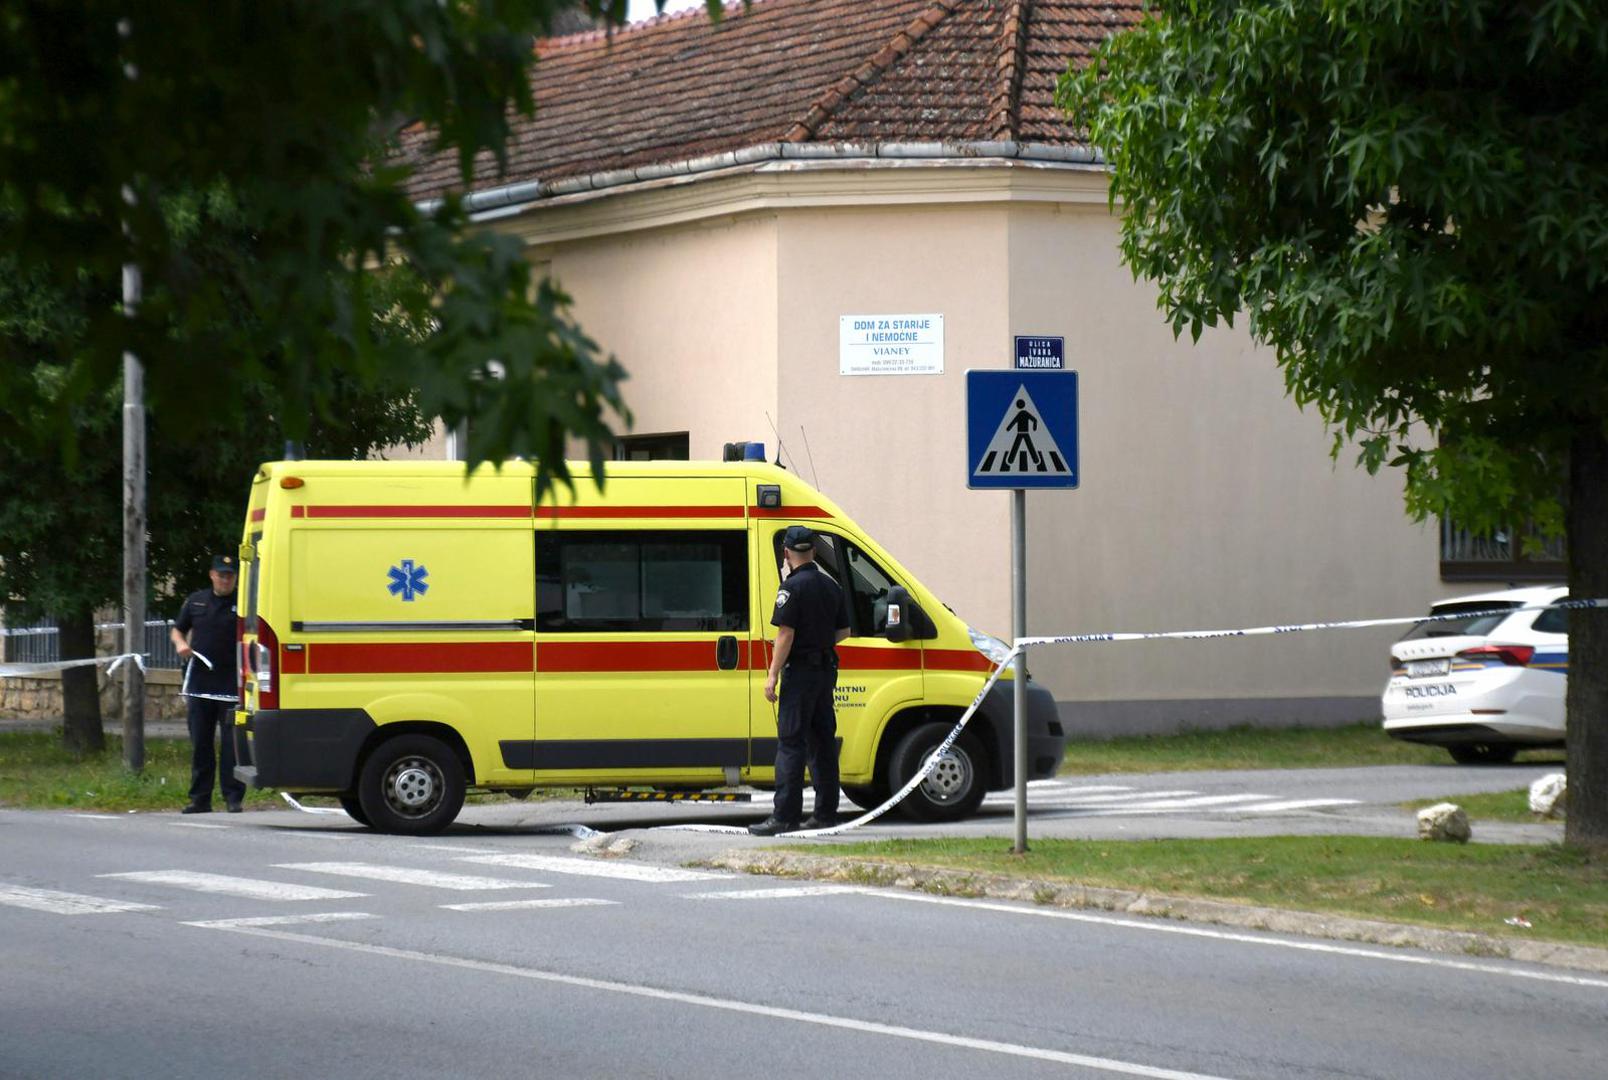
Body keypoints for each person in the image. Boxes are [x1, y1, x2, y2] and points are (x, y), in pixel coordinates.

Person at [750, 525, 851, 836]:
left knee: (791, 743)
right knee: (822, 742)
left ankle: (784, 816)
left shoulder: (791, 588)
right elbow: (844, 632)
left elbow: (785, 634)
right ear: (815, 552)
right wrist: (819, 644)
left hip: (800, 674)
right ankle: (825, 814)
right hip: (825, 673)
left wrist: (772, 674)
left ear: (786, 554)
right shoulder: (831, 585)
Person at [170, 554, 244, 813]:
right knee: (201, 743)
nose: (225, 579)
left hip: (231, 685)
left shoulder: (243, 602)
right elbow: (178, 629)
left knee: (231, 746)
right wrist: (181, 644)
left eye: (230, 575)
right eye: (221, 574)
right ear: (212, 574)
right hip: (200, 683)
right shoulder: (196, 601)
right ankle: (200, 799)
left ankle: (233, 798)